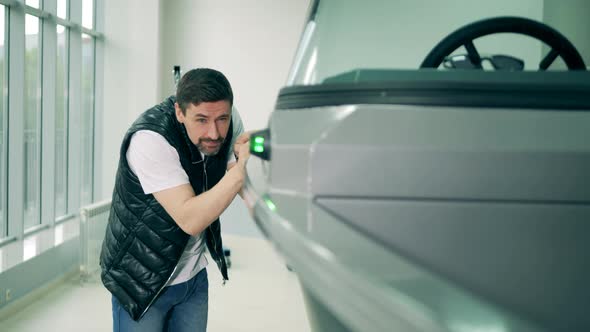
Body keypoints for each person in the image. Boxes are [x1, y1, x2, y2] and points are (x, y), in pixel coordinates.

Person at [100, 68, 251, 332]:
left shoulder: (226, 117)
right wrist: (240, 172)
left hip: (193, 277)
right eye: (201, 120)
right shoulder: (150, 139)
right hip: (143, 281)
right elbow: (190, 218)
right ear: (180, 112)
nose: (214, 133)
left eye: (222, 119)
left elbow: (241, 182)